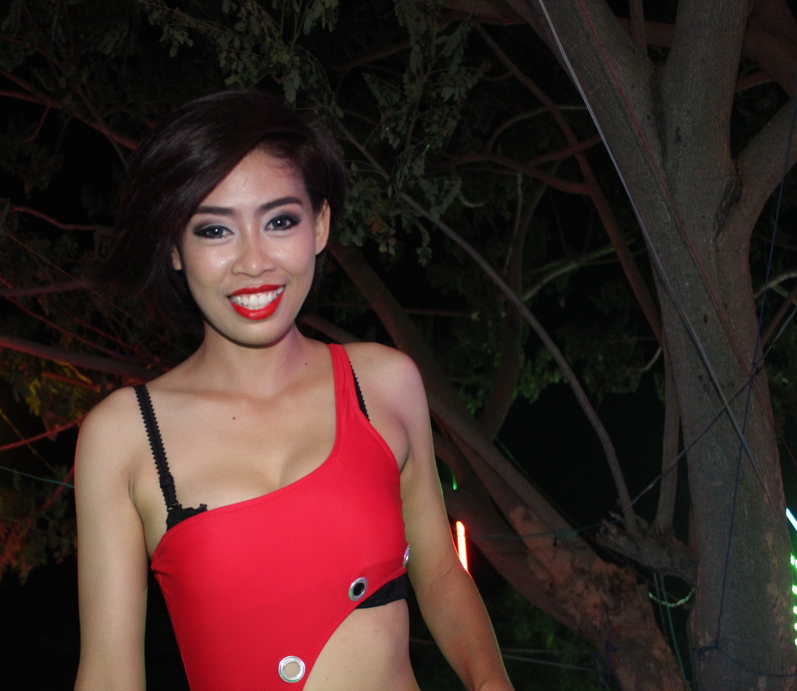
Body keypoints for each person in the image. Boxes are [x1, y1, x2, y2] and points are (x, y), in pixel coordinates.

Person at [74, 89, 513, 691]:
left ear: (320, 225)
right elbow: (108, 673)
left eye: (280, 221)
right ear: (174, 248)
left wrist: (491, 683)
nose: (254, 261)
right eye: (214, 230)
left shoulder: (384, 384)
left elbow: (438, 572)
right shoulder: (124, 436)